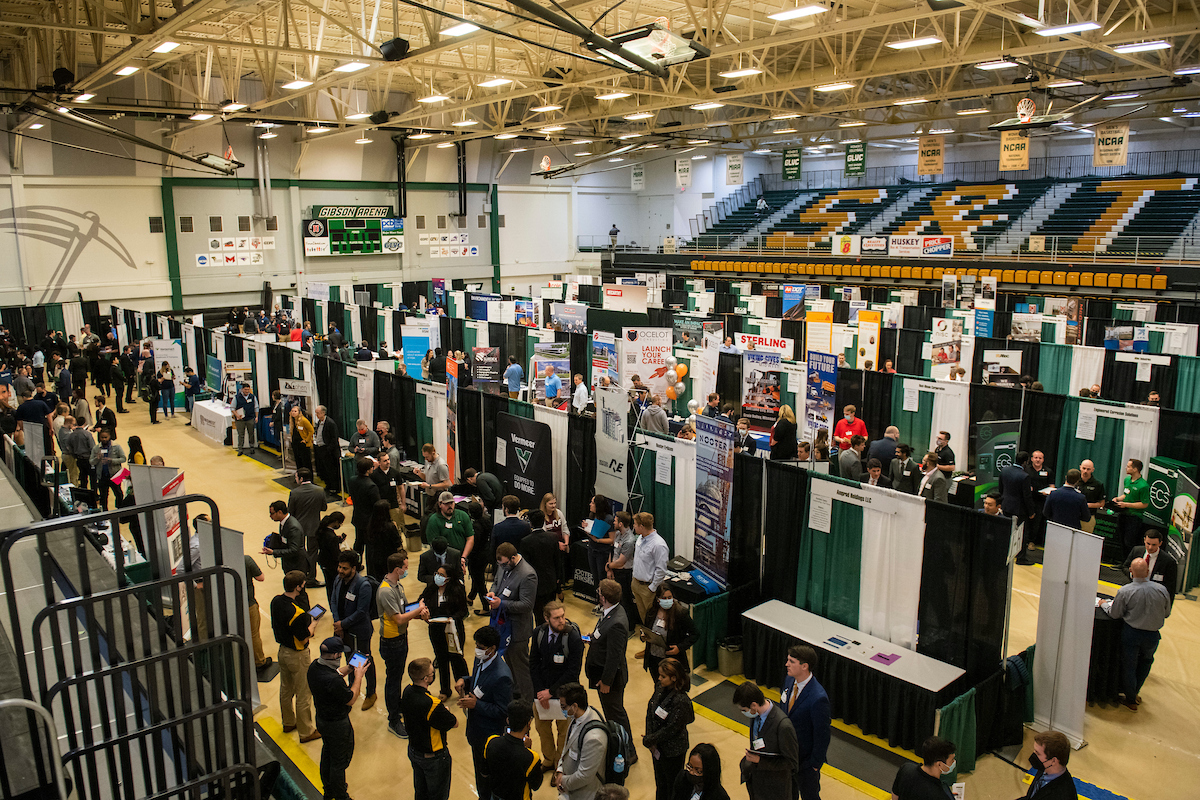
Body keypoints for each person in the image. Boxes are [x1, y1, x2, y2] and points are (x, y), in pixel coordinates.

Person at [1106, 556, 1172, 711]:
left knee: (1129, 665)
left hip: (1132, 633)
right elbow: (1167, 613)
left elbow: (1115, 613)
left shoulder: (1125, 591)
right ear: (1148, 571)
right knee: (1146, 662)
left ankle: (1130, 698)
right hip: (1152, 636)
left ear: (1131, 571)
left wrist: (1104, 605)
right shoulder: (1162, 590)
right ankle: (1134, 692)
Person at [308, 636, 369, 800]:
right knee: (339, 763)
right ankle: (341, 795)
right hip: (338, 725)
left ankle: (329, 790)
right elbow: (351, 698)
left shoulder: (314, 667)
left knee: (328, 753)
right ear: (336, 655)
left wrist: (349, 669)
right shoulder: (334, 682)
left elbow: (334, 673)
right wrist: (358, 676)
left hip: (322, 720)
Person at [457, 625, 513, 800]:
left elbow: (503, 710)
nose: (477, 650)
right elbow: (478, 680)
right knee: (480, 775)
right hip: (476, 730)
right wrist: (465, 681)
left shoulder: (502, 676)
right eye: (476, 645)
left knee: (487, 778)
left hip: (489, 735)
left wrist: (476, 705)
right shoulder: (480, 660)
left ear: (492, 649)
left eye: (480, 647)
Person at [529, 600, 584, 769]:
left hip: (564, 695)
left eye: (563, 616)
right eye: (556, 618)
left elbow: (572, 673)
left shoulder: (573, 638)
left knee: (564, 732)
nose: (561, 621)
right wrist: (540, 692)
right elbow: (533, 664)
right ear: (546, 618)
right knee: (542, 730)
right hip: (541, 695)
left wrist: (551, 692)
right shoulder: (538, 633)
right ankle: (549, 759)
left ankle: (560, 765)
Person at [378, 552, 425, 738]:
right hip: (392, 641)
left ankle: (397, 707)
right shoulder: (386, 591)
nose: (407, 570)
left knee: (397, 676)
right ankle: (393, 718)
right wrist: (418, 611)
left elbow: (405, 609)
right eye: (405, 567)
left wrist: (419, 609)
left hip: (401, 638)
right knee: (393, 680)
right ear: (397, 569)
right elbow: (398, 619)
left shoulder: (397, 586)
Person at [270, 569, 320, 743]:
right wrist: (313, 623)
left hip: (282, 652)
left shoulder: (276, 601)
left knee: (286, 689)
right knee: (303, 693)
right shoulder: (297, 614)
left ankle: (288, 722)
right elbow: (305, 636)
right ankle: (306, 731)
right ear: (298, 587)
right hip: (297, 656)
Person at [586, 578, 633, 753]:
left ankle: (628, 751)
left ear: (604, 597)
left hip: (611, 681)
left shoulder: (617, 623)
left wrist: (606, 681)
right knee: (611, 714)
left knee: (616, 715)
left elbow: (614, 657)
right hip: (601, 674)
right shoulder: (611, 611)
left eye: (599, 592)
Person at [402, 657, 459, 800]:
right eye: (432, 673)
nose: (434, 675)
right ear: (426, 678)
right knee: (438, 794)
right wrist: (445, 710)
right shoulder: (432, 704)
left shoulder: (407, 691)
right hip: (434, 757)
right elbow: (454, 723)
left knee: (421, 792)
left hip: (415, 751)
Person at [489, 541, 538, 703]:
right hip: (502, 626)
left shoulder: (527, 574)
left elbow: (527, 605)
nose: (501, 567)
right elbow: (497, 582)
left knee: (520, 668)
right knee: (508, 663)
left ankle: (527, 702)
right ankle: (516, 694)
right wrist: (492, 592)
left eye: (504, 564)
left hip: (518, 629)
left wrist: (501, 603)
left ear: (513, 558)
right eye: (499, 564)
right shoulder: (503, 565)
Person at [780, 645, 830, 800]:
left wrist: (814, 764)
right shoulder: (789, 681)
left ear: (804, 666)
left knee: (810, 796)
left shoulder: (818, 697)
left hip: (806, 762)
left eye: (791, 661)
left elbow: (822, 734)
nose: (786, 664)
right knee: (789, 793)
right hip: (787, 755)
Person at [733, 681, 799, 800]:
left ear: (753, 705)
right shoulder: (756, 716)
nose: (743, 713)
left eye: (743, 710)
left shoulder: (783, 726)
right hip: (757, 785)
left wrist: (760, 761)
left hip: (776, 790)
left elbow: (791, 763)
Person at [329, 550, 377, 710]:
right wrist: (337, 622)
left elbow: (362, 611)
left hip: (359, 631)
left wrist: (343, 624)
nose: (340, 571)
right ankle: (351, 689)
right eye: (340, 567)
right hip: (343, 629)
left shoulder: (363, 585)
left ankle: (371, 693)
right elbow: (334, 600)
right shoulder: (338, 579)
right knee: (350, 660)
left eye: (345, 568)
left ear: (354, 568)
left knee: (363, 660)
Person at [644, 658, 695, 800]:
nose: (659, 679)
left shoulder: (681, 700)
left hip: (673, 751)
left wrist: (651, 739)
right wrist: (650, 738)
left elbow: (672, 728)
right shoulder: (659, 688)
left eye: (663, 676)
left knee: (672, 785)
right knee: (660, 783)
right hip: (657, 747)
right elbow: (650, 711)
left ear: (674, 678)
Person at [419, 562, 470, 697]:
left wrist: (452, 619)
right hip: (436, 629)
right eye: (437, 574)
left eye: (442, 575)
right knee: (441, 659)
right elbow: (421, 600)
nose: (438, 577)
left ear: (449, 578)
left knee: (457, 659)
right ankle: (445, 690)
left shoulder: (457, 589)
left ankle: (463, 687)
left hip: (453, 630)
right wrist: (423, 609)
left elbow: (463, 611)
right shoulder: (431, 588)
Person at [554, 682, 610, 800]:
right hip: (569, 787)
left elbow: (584, 776)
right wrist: (560, 770)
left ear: (574, 706)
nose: (561, 710)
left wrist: (562, 781)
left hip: (584, 793)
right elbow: (567, 748)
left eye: (563, 707)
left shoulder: (594, 738)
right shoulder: (576, 717)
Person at [484, 700, 544, 800]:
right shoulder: (531, 757)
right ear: (528, 724)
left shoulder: (491, 742)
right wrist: (527, 749)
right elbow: (535, 785)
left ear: (508, 720)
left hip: (496, 796)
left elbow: (484, 772)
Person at [639, 584, 698, 680]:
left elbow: (695, 634)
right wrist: (643, 636)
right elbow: (646, 629)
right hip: (654, 659)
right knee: (658, 686)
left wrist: (680, 647)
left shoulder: (680, 614)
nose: (667, 600)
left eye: (669, 597)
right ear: (658, 599)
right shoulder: (651, 612)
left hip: (671, 661)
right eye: (664, 598)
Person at [288, 468, 328, 583]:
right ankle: (311, 577)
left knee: (300, 551)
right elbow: (323, 507)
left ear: (301, 478)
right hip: (314, 526)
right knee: (313, 553)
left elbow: (291, 511)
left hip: (298, 527)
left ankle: (301, 575)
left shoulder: (294, 493)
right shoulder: (319, 490)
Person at [518, 515, 560, 623]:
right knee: (551, 612)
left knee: (539, 616)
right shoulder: (553, 537)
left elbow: (524, 566)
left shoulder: (525, 541)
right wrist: (559, 584)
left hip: (535, 584)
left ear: (530, 524)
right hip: (551, 582)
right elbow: (558, 561)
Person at [1121, 529, 1178, 605]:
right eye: (1148, 543)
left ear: (1160, 543)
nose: (1150, 547)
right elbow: (1125, 567)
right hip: (1133, 594)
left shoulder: (1168, 562)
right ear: (1144, 540)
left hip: (1153, 600)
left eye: (1154, 545)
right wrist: (1133, 575)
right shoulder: (1136, 551)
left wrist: (1167, 607)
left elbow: (1171, 588)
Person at [890, 736, 956, 800]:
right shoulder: (939, 796)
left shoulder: (906, 768)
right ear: (939, 765)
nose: (954, 762)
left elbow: (895, 795)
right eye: (951, 760)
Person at [631, 512, 669, 623]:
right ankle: (647, 636)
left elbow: (661, 569)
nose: (633, 526)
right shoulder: (640, 538)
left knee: (651, 617)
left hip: (647, 588)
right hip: (636, 583)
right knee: (643, 616)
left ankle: (653, 639)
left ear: (641, 527)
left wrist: (652, 587)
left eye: (635, 524)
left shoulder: (658, 545)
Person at [1019, 730, 1077, 799]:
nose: (1033, 755)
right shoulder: (1045, 768)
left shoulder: (1062, 795)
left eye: (1038, 753)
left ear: (1053, 761)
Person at [1113, 459, 1150, 557]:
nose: (1126, 468)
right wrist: (1118, 499)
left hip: (1134, 517)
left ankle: (1130, 563)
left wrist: (1127, 505)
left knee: (1129, 542)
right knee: (1120, 539)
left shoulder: (1143, 486)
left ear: (1135, 469)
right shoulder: (1127, 480)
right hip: (1123, 514)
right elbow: (1126, 494)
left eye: (1129, 466)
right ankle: (1122, 562)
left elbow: (1144, 504)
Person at [606, 511, 639, 624]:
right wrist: (610, 568)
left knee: (626, 600)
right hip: (615, 570)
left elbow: (621, 561)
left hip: (625, 573)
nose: (613, 522)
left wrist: (609, 566)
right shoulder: (617, 534)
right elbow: (613, 551)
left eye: (615, 521)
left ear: (620, 523)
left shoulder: (629, 540)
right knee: (617, 600)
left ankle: (630, 626)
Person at [263, 499, 309, 575]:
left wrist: (274, 552)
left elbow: (294, 550)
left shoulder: (293, 527)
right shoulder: (283, 522)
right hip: (289, 563)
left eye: (272, 513)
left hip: (296, 566)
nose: (270, 516)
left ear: (280, 512)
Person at [347, 457, 381, 554]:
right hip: (369, 520)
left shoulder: (352, 480)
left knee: (358, 543)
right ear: (368, 470)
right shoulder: (371, 486)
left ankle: (356, 565)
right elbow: (377, 505)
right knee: (370, 546)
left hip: (358, 516)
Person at [365, 499, 403, 580]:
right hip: (388, 560)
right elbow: (397, 542)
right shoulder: (390, 527)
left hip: (374, 559)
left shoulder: (370, 525)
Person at [90, 427, 126, 510]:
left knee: (118, 493)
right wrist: (97, 458)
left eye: (106, 437)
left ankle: (120, 510)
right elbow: (91, 461)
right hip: (102, 476)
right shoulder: (96, 448)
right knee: (103, 496)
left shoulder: (116, 447)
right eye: (102, 437)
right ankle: (105, 512)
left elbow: (123, 458)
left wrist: (112, 460)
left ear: (109, 437)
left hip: (115, 475)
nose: (104, 439)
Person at [312, 405, 342, 498]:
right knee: (324, 469)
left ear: (323, 413)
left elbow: (334, 439)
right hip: (320, 448)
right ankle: (328, 485)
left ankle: (335, 488)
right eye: (316, 412)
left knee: (332, 470)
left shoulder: (330, 423)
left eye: (318, 413)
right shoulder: (319, 422)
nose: (316, 414)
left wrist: (328, 449)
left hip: (329, 451)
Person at [414, 444, 452, 516]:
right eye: (424, 457)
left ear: (433, 453)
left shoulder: (441, 465)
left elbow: (447, 484)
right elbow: (427, 478)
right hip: (430, 495)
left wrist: (430, 486)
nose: (425, 459)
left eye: (427, 457)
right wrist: (419, 473)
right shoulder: (428, 462)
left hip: (438, 496)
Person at [315, 512, 347, 593]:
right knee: (334, 587)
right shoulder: (332, 537)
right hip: (331, 565)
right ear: (336, 522)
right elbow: (336, 554)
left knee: (329, 586)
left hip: (323, 561)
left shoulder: (322, 530)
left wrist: (337, 540)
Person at [1077, 460, 1107, 534]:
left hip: (1088, 517)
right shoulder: (1074, 481)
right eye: (1084, 468)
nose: (1085, 471)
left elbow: (1101, 503)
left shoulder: (1098, 485)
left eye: (1088, 469)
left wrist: (1087, 505)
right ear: (1080, 467)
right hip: (1073, 515)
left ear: (1092, 470)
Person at [232, 383, 258, 454]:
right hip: (240, 420)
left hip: (250, 418)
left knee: (251, 433)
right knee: (241, 434)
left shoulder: (253, 397)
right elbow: (232, 408)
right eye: (245, 389)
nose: (247, 391)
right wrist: (237, 415)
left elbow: (256, 407)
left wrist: (256, 417)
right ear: (242, 389)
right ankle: (240, 449)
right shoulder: (237, 397)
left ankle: (252, 447)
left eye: (248, 389)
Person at [289, 406, 315, 475]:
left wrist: (306, 440)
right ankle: (300, 476)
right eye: (292, 411)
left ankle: (309, 477)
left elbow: (311, 430)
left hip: (303, 444)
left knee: (306, 462)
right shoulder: (292, 421)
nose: (293, 413)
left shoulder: (303, 420)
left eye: (295, 411)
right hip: (295, 444)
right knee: (298, 461)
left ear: (299, 412)